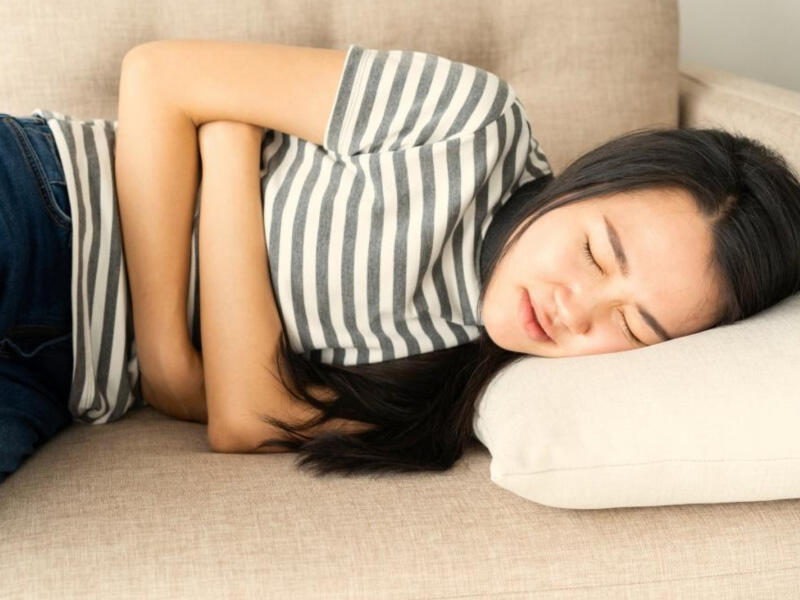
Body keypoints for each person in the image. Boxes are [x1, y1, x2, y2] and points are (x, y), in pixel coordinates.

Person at [1, 41, 799, 484]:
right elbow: (160, 75)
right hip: (48, 201)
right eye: (595, 250)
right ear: (588, 181)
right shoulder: (469, 125)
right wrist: (170, 361)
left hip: (58, 381)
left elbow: (247, 420)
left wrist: (231, 146)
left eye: (633, 324)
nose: (575, 306)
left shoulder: (459, 387)